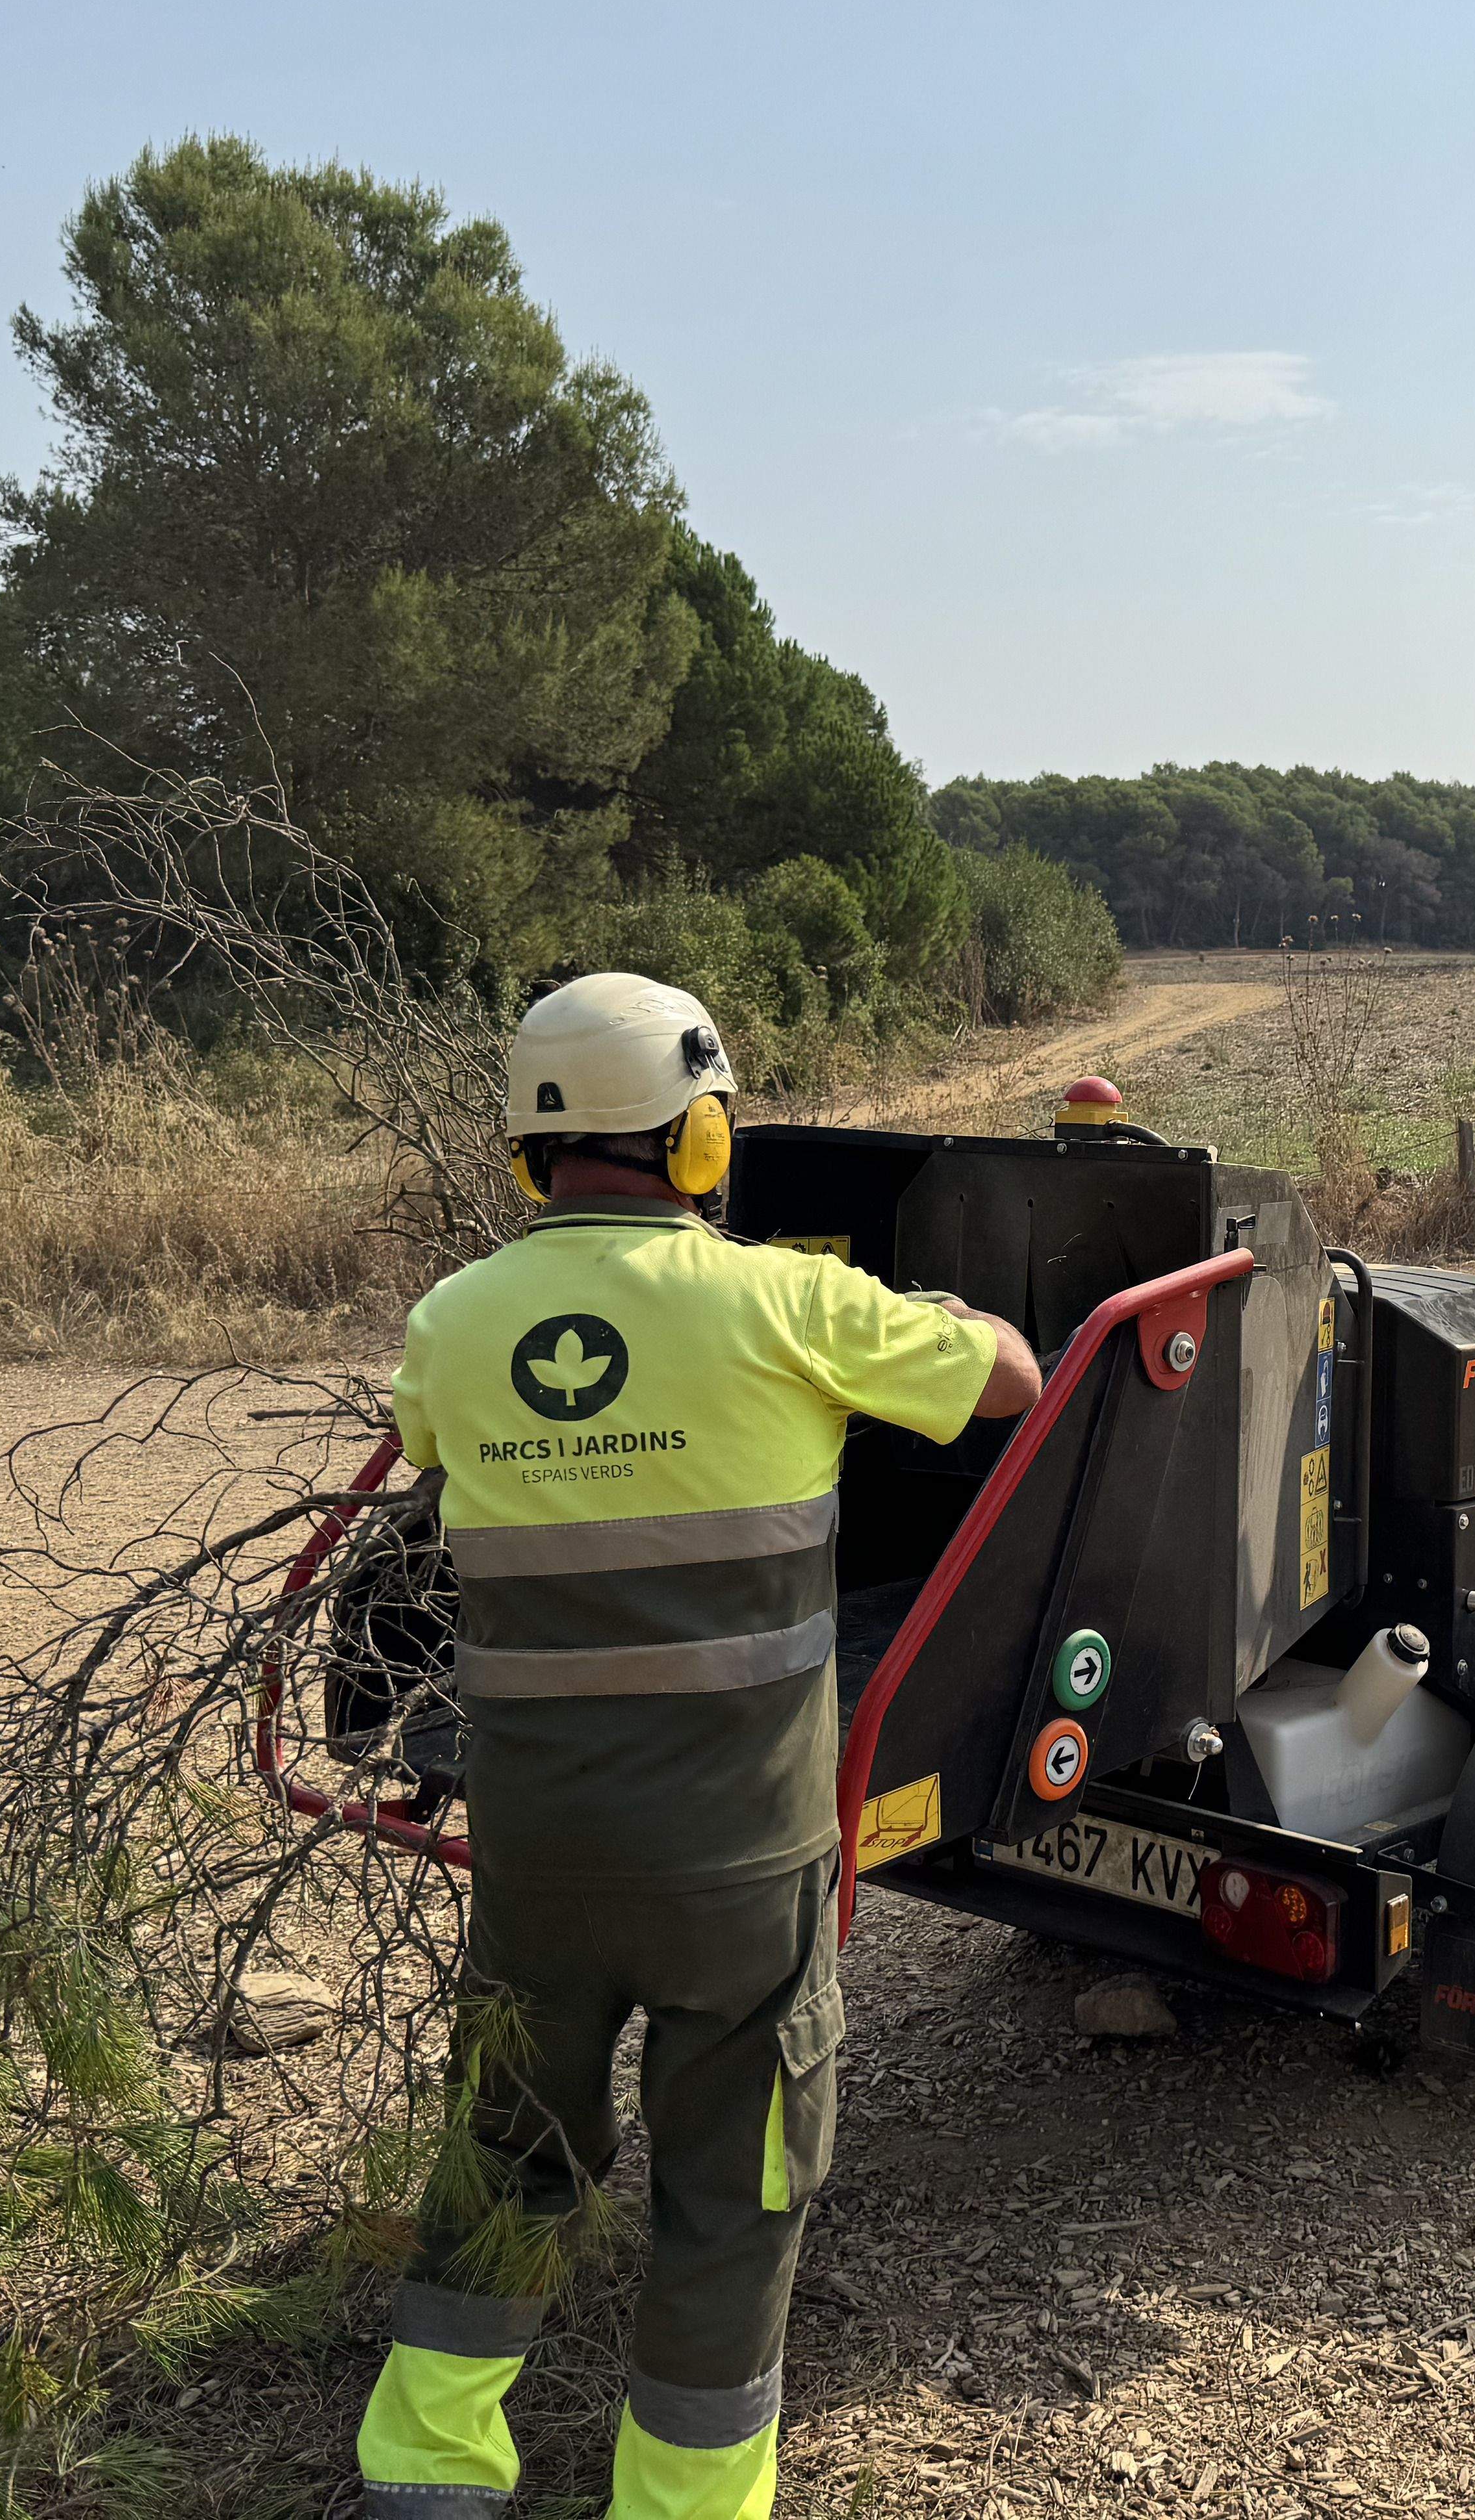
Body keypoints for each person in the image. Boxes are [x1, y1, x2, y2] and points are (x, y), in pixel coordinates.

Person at [355, 973, 1040, 2520]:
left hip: (537, 1855)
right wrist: (949, 1314)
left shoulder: (454, 1322)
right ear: (706, 1137)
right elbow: (1014, 1383)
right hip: (740, 1869)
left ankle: (425, 2473)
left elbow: (427, 1442)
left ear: (530, 1157)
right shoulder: (786, 1305)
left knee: (509, 2151)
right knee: (732, 2195)